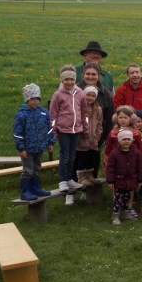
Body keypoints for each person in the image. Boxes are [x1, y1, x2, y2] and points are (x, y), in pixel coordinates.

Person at [50, 66, 89, 200]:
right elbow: (53, 114)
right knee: (65, 156)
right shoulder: (58, 95)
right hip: (63, 130)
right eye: (66, 79)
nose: (69, 82)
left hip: (76, 130)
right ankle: (62, 180)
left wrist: (86, 126)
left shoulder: (80, 93)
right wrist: (53, 131)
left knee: (72, 156)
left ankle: (70, 179)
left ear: (75, 79)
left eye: (72, 79)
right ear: (62, 80)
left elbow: (85, 112)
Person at [14, 83, 55, 200]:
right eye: (32, 99)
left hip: (40, 147)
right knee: (28, 170)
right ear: (27, 99)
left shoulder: (44, 113)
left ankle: (36, 188)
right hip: (27, 149)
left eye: (37, 98)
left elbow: (49, 128)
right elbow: (17, 133)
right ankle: (25, 191)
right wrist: (21, 148)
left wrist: (50, 142)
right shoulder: (21, 115)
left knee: (37, 169)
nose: (35, 101)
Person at [106, 129, 142, 224]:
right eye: (124, 139)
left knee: (127, 199)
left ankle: (126, 212)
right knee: (118, 200)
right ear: (119, 141)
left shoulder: (136, 153)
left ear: (132, 140)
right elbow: (110, 168)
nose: (126, 141)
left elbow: (140, 167)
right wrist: (110, 181)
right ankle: (115, 216)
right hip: (119, 181)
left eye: (128, 139)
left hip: (131, 181)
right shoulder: (114, 153)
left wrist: (140, 179)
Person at [77, 62, 114, 160]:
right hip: (77, 137)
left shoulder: (106, 94)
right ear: (83, 75)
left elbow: (109, 118)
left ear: (99, 76)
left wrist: (105, 138)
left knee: (92, 163)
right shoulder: (75, 90)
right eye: (88, 74)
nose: (90, 77)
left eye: (94, 74)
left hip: (97, 137)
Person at [74, 85, 103, 186]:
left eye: (93, 96)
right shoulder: (80, 108)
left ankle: (90, 176)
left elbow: (99, 124)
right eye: (88, 95)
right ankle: (81, 178)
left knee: (91, 158)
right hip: (82, 139)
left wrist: (97, 137)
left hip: (93, 140)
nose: (90, 97)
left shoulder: (98, 109)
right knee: (82, 159)